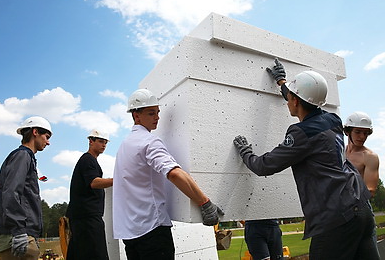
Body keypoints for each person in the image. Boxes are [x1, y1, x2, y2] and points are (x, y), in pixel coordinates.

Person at [233, 58, 379, 259]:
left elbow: (264, 166)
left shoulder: (301, 134)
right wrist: (282, 83)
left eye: (290, 97)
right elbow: (307, 100)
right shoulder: (333, 120)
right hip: (361, 209)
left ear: (295, 100)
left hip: (335, 219)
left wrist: (246, 152)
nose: (288, 101)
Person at [112, 88, 223, 260]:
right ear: (136, 116)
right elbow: (174, 174)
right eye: (151, 113)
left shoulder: (124, 145)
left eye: (157, 112)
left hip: (130, 235)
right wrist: (205, 203)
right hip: (152, 231)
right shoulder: (149, 141)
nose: (157, 117)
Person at [0, 116, 52, 260]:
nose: (48, 142)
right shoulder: (22, 156)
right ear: (35, 132)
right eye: (46, 136)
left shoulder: (25, 157)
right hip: (16, 233)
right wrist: (18, 231)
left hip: (19, 232)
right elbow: (11, 193)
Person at [66, 129, 113, 260]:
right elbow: (94, 182)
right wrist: (118, 180)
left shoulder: (89, 160)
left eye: (105, 143)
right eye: (100, 141)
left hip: (82, 217)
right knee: (96, 254)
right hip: (88, 218)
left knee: (79, 254)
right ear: (91, 141)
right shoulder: (88, 160)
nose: (104, 145)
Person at [344, 111, 380, 197]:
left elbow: (370, 191)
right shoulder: (339, 151)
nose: (362, 137)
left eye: (365, 133)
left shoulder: (370, 157)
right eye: (358, 132)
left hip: (357, 207)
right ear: (348, 132)